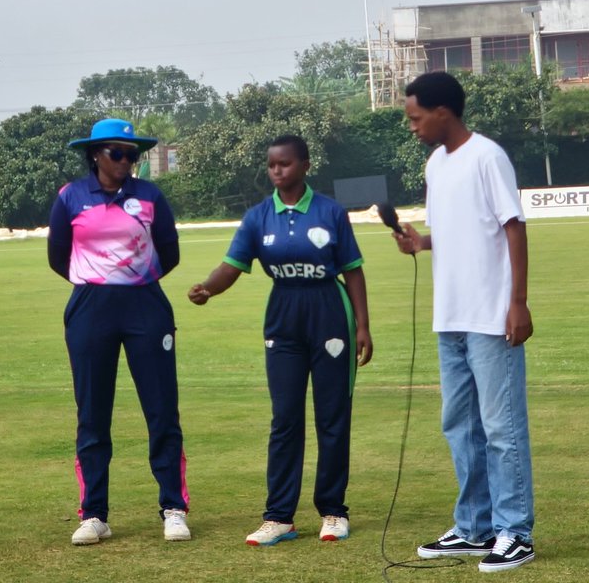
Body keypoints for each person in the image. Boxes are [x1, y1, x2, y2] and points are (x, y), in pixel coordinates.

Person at [188, 134, 372, 546]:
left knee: (331, 417)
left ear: (305, 165)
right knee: (284, 419)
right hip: (283, 320)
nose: (277, 171)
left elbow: (353, 271)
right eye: (271, 165)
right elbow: (232, 265)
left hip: (330, 316)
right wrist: (207, 288)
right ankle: (279, 518)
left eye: (285, 164)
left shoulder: (330, 212)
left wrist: (362, 325)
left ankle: (333, 511)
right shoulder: (258, 217)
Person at [393, 71, 535, 573]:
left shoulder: (487, 156)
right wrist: (420, 243)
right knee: (460, 426)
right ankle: (475, 528)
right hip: (448, 315)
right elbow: (454, 231)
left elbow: (513, 229)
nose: (412, 126)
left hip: (491, 315)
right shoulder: (436, 163)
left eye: (415, 117)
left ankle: (514, 531)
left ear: (443, 113)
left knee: (502, 428)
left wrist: (517, 302)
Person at [47, 117, 190, 546]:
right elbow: (58, 256)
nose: (127, 161)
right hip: (92, 306)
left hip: (145, 304)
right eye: (118, 153)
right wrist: (100, 280)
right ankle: (94, 514)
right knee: (92, 413)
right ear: (96, 155)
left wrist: (135, 279)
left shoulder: (149, 195)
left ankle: (173, 507)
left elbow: (170, 251)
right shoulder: (71, 197)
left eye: (132, 154)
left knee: (161, 409)